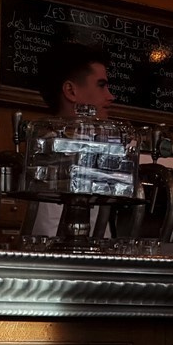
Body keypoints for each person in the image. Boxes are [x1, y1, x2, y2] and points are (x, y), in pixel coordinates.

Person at [28, 43, 117, 240]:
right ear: (70, 91)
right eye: (101, 85)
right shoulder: (51, 153)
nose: (110, 96)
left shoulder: (91, 149)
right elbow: (48, 236)